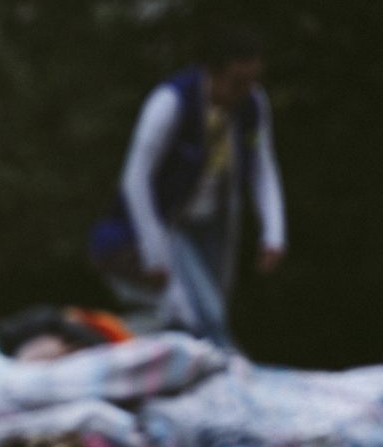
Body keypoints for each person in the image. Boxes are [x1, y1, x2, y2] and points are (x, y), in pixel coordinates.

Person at [90, 28, 285, 351]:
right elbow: (134, 178)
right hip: (171, 221)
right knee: (202, 314)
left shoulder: (252, 104)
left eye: (252, 81)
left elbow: (263, 168)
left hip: (215, 219)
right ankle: (228, 368)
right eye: (237, 82)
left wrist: (274, 233)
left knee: (208, 308)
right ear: (213, 72)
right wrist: (154, 255)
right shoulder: (171, 102)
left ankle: (201, 362)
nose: (245, 91)